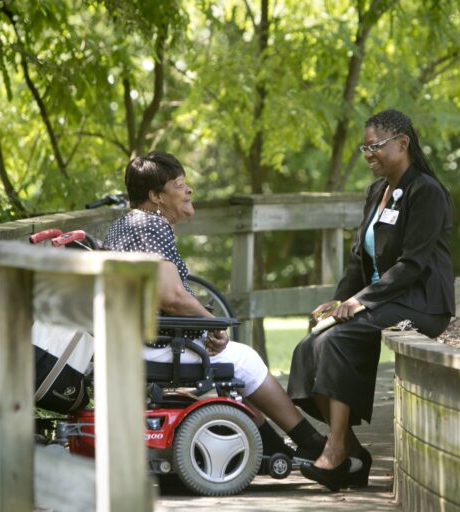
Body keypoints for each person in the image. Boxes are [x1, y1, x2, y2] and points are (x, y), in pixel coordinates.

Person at [104, 151, 325, 460]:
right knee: (244, 360)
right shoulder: (150, 227)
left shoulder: (122, 226)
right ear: (156, 196)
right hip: (154, 344)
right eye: (179, 184)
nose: (188, 190)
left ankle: (272, 449)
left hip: (131, 340)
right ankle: (312, 443)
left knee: (231, 375)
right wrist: (213, 322)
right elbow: (171, 296)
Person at [287, 109, 455, 491]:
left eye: (375, 145)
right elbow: (356, 262)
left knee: (336, 341)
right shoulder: (377, 192)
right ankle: (354, 452)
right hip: (379, 299)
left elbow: (412, 265)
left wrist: (361, 301)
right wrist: (337, 301)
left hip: (420, 300)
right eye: (365, 147)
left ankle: (334, 454)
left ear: (402, 143)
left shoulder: (426, 192)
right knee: (307, 347)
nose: (368, 153)